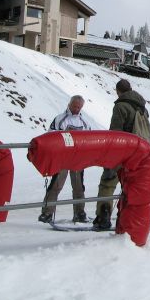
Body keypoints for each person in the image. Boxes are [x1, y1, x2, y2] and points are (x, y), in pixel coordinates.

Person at [92, 78, 150, 230]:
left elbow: (115, 132)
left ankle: (103, 216)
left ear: (118, 91)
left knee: (108, 182)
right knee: (134, 186)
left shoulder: (120, 106)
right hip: (143, 152)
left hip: (124, 151)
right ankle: (132, 217)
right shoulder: (143, 108)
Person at [38, 95, 92, 223]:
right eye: (74, 106)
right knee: (56, 184)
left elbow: (90, 138)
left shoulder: (85, 122)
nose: (76, 109)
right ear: (69, 104)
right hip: (62, 158)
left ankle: (79, 213)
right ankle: (47, 213)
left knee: (78, 186)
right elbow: (50, 134)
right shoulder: (60, 119)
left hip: (78, 158)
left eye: (79, 107)